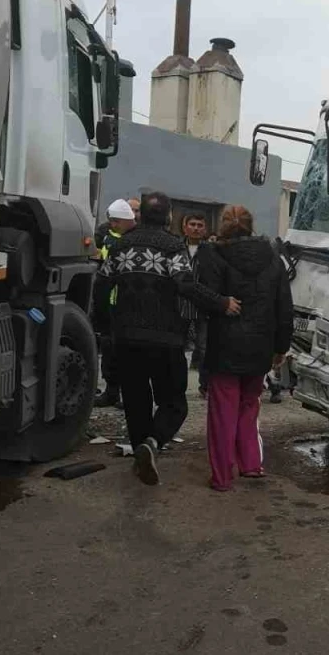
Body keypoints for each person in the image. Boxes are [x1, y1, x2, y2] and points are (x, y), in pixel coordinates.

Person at [101, 191, 239, 485]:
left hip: (126, 339)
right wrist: (221, 302)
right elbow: (186, 286)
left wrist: (106, 328)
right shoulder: (173, 247)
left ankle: (142, 452)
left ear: (141, 216)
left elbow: (102, 287)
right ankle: (153, 443)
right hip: (165, 340)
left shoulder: (120, 246)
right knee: (174, 402)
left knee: (136, 401)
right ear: (168, 217)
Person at [196, 204, 293, 490]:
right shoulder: (274, 258)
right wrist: (281, 347)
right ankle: (251, 464)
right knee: (249, 406)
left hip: (225, 346)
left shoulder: (212, 255)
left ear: (223, 225)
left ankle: (223, 476)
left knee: (223, 412)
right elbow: (284, 308)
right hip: (261, 346)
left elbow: (204, 296)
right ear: (251, 225)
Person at [91, 199, 137, 408]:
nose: (113, 225)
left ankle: (129, 394)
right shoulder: (104, 235)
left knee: (129, 353)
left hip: (129, 304)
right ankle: (111, 392)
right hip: (109, 302)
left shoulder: (136, 239)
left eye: (115, 221)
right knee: (109, 349)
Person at [180, 212, 211, 396]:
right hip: (180, 305)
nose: (196, 228)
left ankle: (204, 386)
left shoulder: (210, 250)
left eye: (200, 225)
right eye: (192, 224)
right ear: (185, 227)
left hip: (203, 306)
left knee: (204, 348)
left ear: (204, 229)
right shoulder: (176, 248)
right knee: (177, 347)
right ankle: (176, 384)